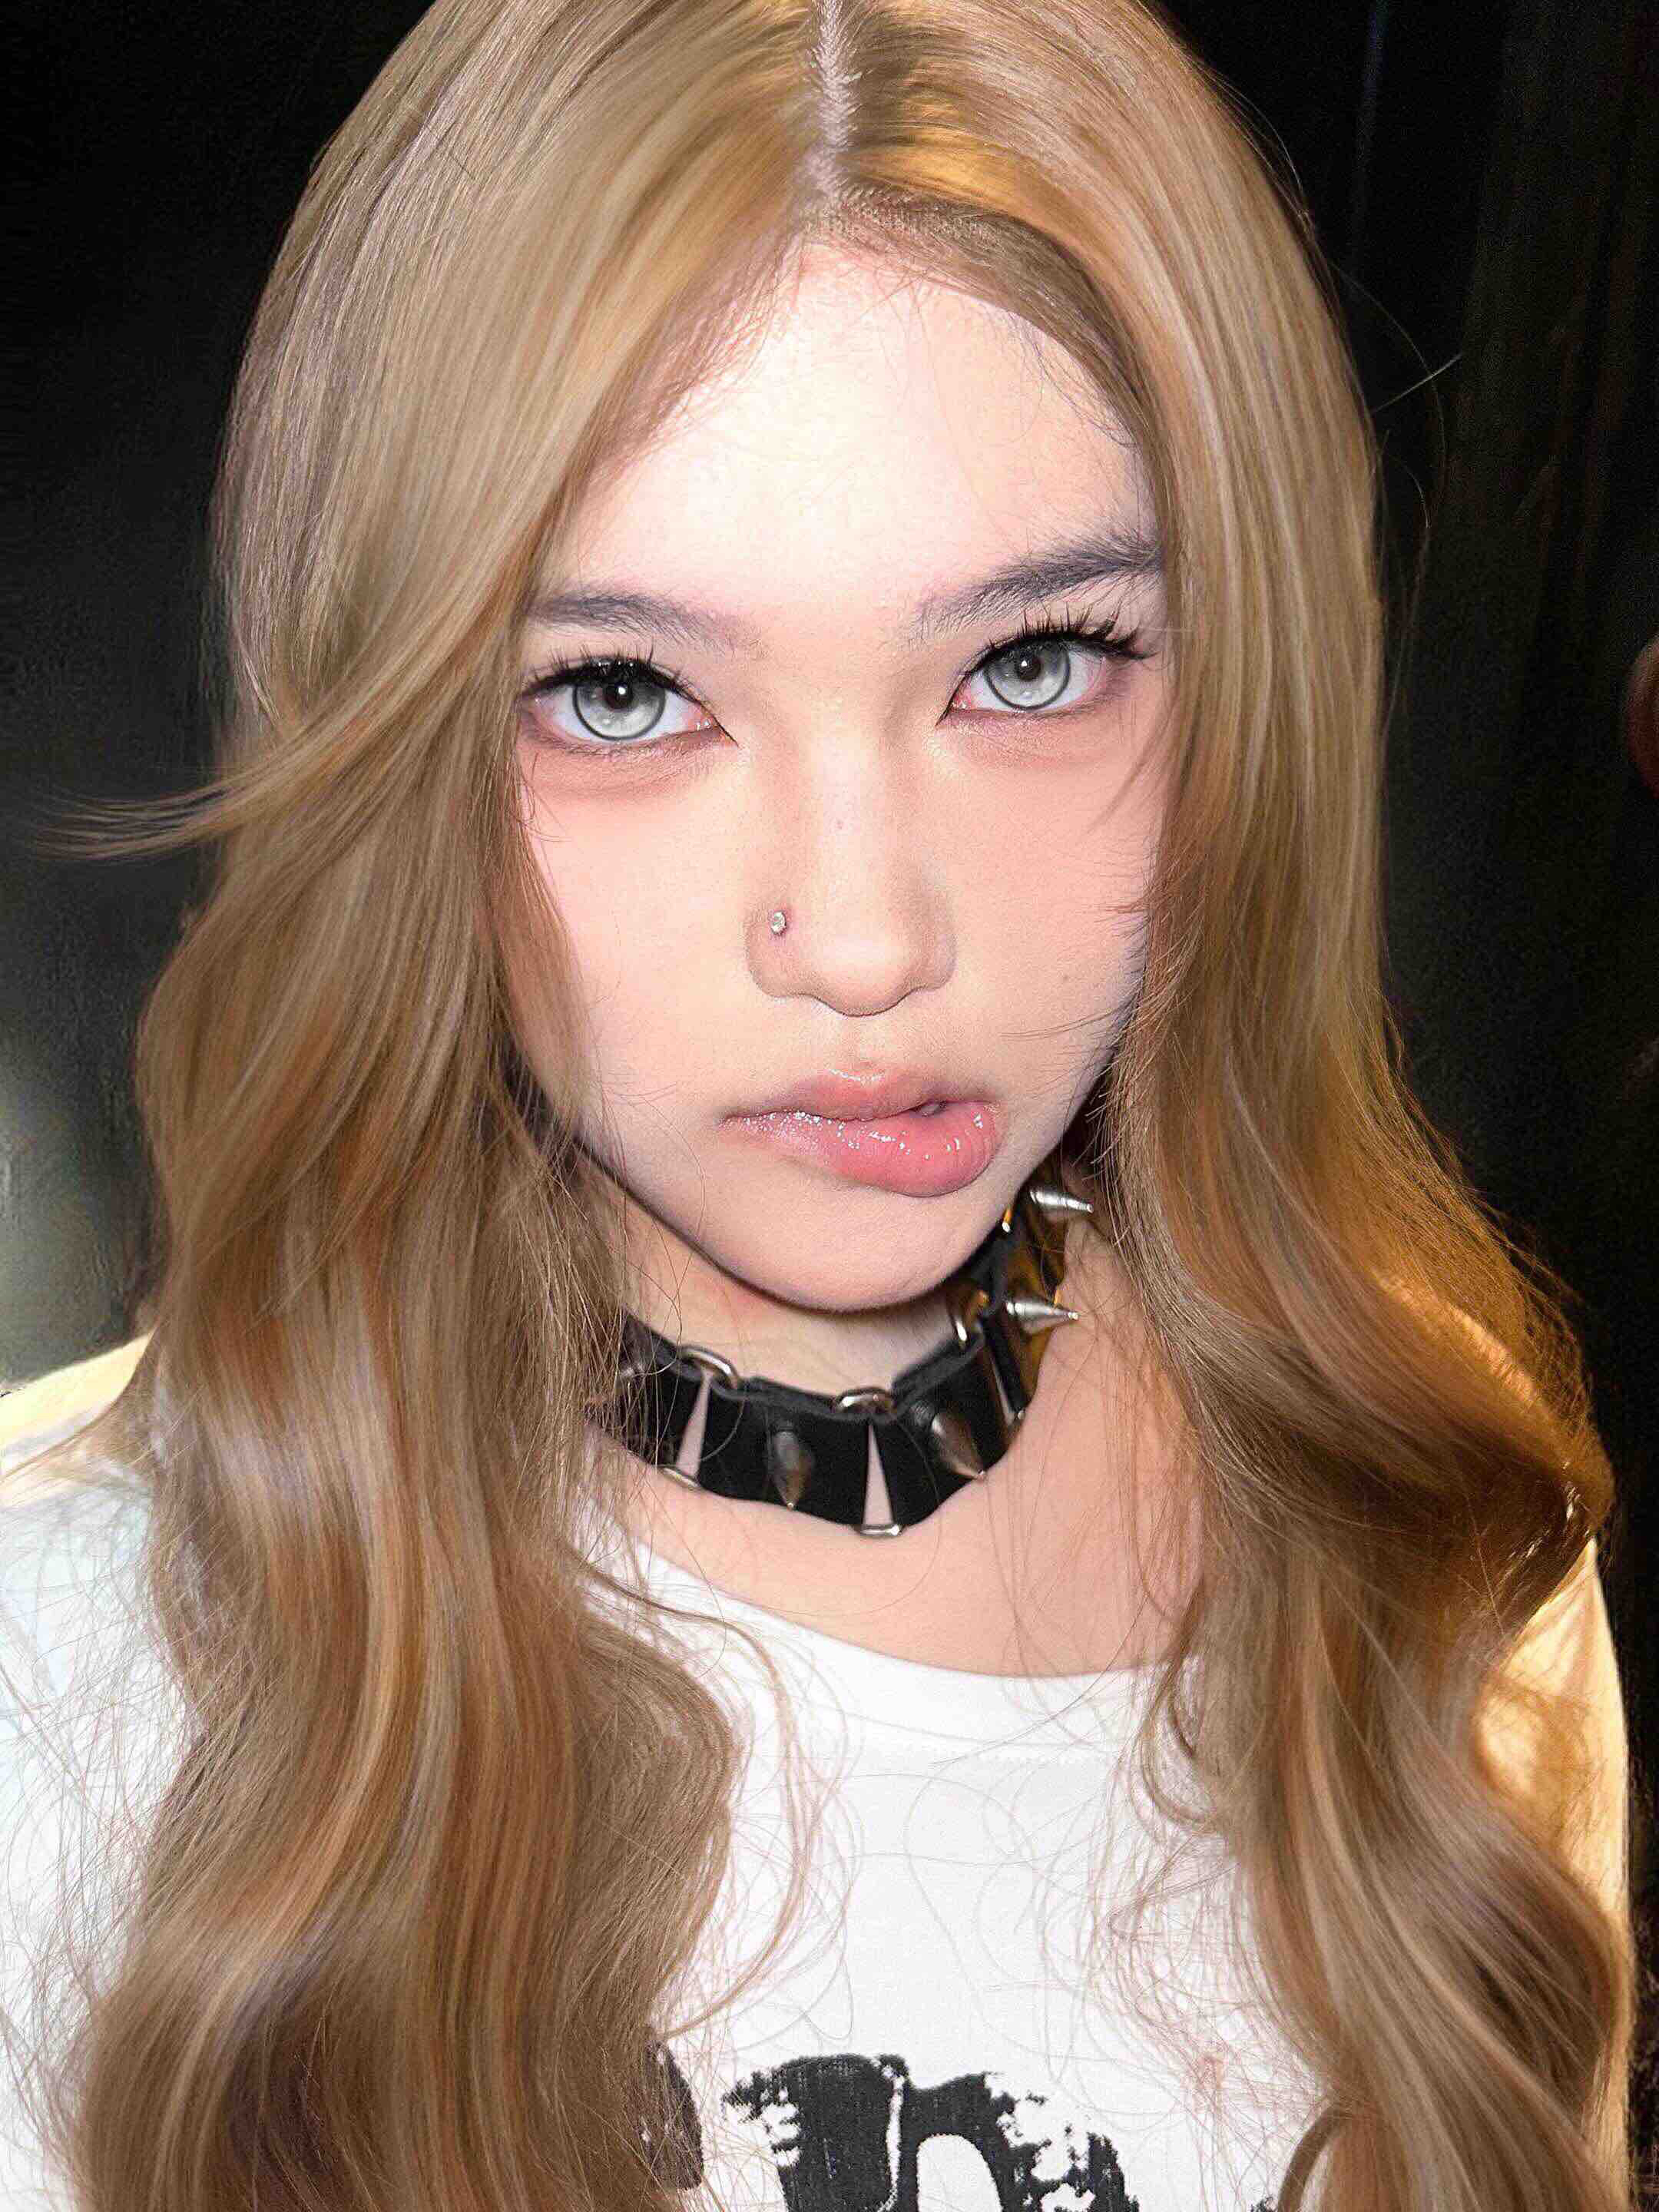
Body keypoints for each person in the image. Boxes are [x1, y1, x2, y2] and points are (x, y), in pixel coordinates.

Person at [0, 2, 1635, 2208]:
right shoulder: (65, 1668)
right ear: (384, 741)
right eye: (621, 694)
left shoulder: (1418, 1511)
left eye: (1032, 666)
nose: (864, 943)